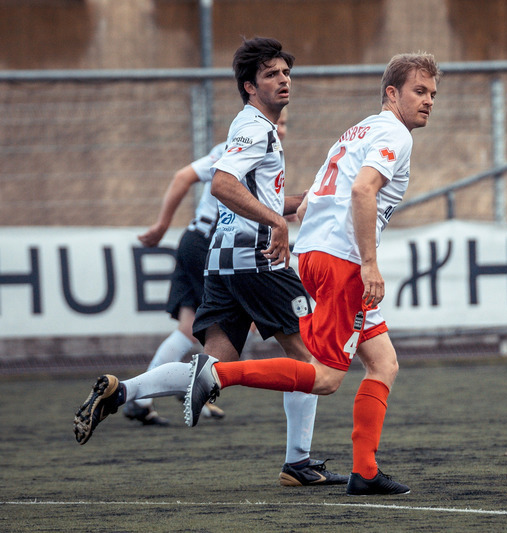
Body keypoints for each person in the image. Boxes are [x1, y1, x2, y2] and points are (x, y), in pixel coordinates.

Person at [74, 37, 347, 487]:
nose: (283, 80)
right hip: (258, 263)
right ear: (249, 86)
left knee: (212, 365)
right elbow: (222, 184)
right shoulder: (255, 127)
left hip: (223, 263)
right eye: (271, 75)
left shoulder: (256, 128)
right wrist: (277, 225)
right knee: (313, 362)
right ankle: (298, 462)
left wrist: (313, 201)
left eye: (285, 72)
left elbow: (261, 197)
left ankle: (122, 391)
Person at [182, 52, 441, 496]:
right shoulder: (393, 134)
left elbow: (308, 203)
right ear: (392, 93)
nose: (429, 101)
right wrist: (369, 264)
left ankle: (365, 471)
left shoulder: (358, 130)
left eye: (433, 94)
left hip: (318, 254)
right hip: (342, 263)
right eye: (420, 91)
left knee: (383, 363)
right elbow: (362, 190)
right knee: (324, 378)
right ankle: (220, 375)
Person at [128, 109, 290, 425]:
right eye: (278, 122)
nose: (281, 130)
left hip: (194, 240)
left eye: (285, 124)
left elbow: (260, 202)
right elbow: (183, 176)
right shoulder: (239, 147)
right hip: (210, 246)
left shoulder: (253, 148)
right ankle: (193, 391)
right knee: (230, 333)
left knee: (189, 328)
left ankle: (139, 398)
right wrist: (162, 224)